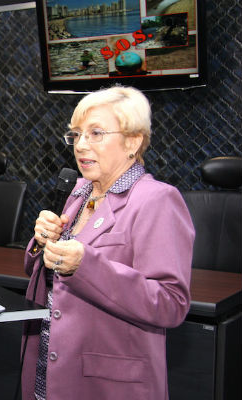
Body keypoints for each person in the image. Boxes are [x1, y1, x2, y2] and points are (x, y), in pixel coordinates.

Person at [21, 86, 194, 400]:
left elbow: (171, 303)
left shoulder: (157, 200)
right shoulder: (79, 192)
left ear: (133, 141)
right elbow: (47, 276)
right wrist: (41, 242)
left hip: (107, 384)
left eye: (96, 133)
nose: (81, 145)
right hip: (52, 365)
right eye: (76, 135)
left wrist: (84, 266)